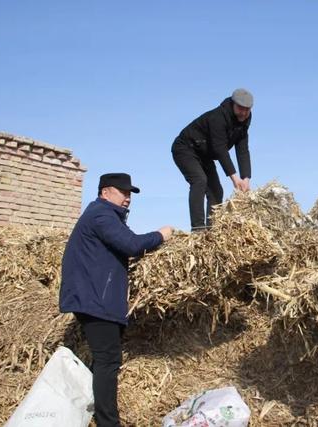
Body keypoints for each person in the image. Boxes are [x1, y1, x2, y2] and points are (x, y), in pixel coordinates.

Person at [59, 173, 173, 426]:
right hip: (95, 300)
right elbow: (132, 245)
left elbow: (127, 241)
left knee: (104, 359)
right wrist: (161, 235)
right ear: (106, 192)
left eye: (130, 194)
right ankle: (107, 422)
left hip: (95, 298)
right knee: (107, 361)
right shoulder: (101, 215)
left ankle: (90, 413)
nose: (128, 198)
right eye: (123, 192)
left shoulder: (107, 216)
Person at [172, 88, 254, 231]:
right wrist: (235, 179)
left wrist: (245, 178)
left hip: (204, 154)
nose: (243, 113)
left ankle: (212, 232)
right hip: (185, 148)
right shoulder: (218, 117)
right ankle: (198, 230)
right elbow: (220, 149)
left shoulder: (245, 120)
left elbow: (242, 149)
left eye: (247, 110)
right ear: (233, 104)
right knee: (199, 180)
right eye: (241, 108)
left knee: (216, 190)